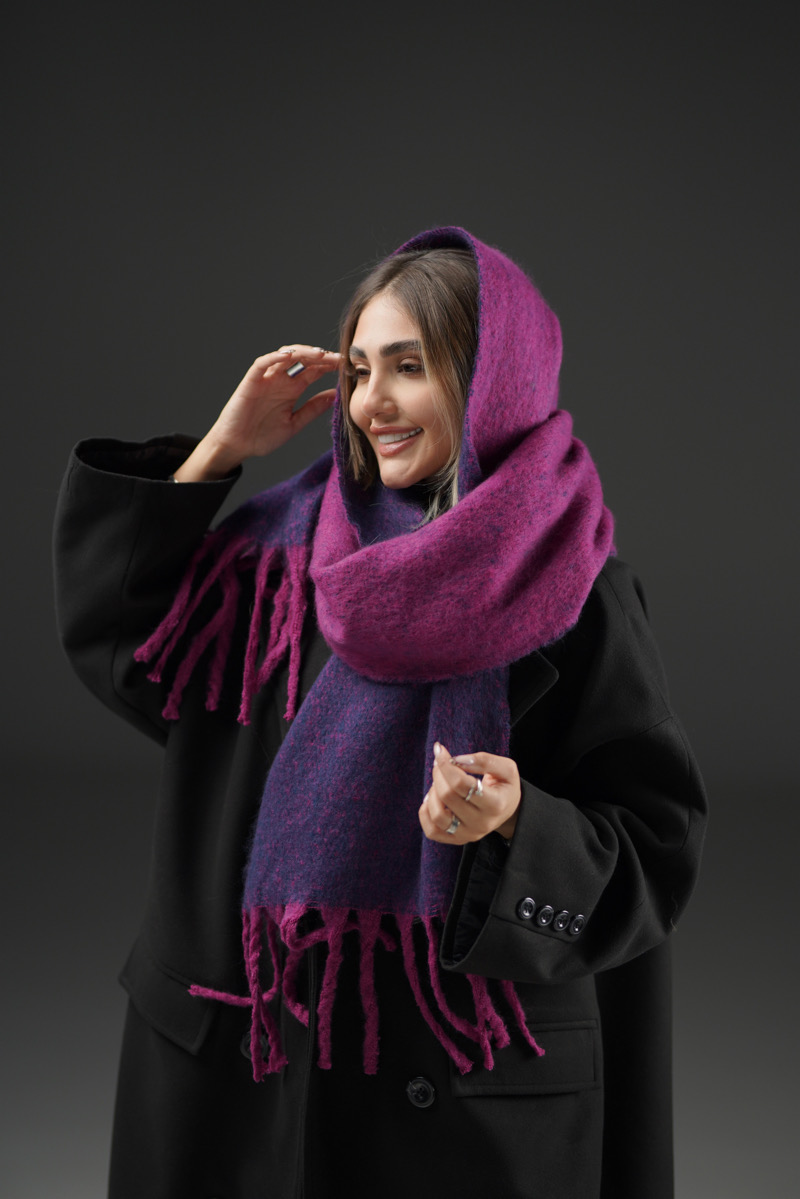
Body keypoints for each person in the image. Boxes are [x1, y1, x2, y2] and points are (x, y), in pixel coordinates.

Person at [54, 226, 707, 1199]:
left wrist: (516, 826)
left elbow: (655, 845)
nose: (370, 403)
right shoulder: (277, 560)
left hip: (460, 1102)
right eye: (359, 369)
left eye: (409, 366)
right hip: (252, 1076)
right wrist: (220, 449)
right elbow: (132, 654)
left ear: (491, 380)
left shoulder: (578, 583)